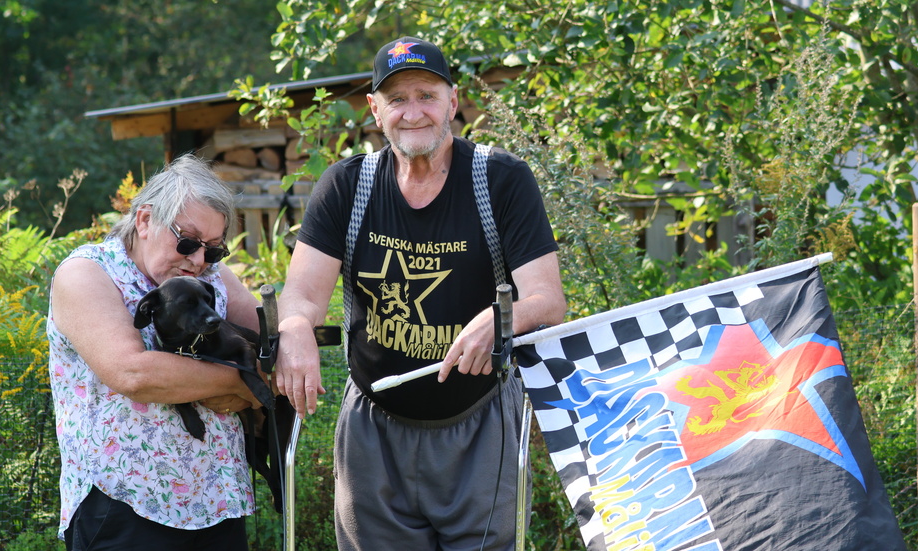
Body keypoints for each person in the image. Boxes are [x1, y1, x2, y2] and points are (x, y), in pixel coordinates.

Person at [275, 36, 567, 550]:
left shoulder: (500, 179)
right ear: (374, 109)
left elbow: (547, 300)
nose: (414, 113)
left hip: (479, 426)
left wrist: (500, 320)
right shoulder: (348, 186)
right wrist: (295, 328)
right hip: (372, 431)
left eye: (427, 96)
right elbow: (300, 295)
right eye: (398, 99)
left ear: (453, 102)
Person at [47, 154, 263, 550]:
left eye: (213, 250)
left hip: (219, 503)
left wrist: (257, 372)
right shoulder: (88, 273)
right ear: (145, 220)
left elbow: (272, 351)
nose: (198, 260)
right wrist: (241, 380)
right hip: (124, 504)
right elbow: (134, 374)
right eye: (187, 241)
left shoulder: (210, 277)